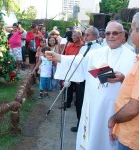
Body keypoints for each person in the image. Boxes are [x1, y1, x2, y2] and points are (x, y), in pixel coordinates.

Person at [45, 21, 136, 150]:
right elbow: (78, 62)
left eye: (115, 33)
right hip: (94, 106)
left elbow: (135, 85)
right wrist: (58, 57)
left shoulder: (132, 58)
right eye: (108, 33)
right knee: (94, 137)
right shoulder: (96, 53)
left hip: (114, 110)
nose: (111, 36)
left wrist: (123, 78)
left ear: (123, 36)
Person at [108, 12, 139, 150]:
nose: (131, 34)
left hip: (132, 137)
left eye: (131, 30)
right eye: (108, 33)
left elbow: (133, 108)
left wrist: (113, 119)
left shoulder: (132, 55)